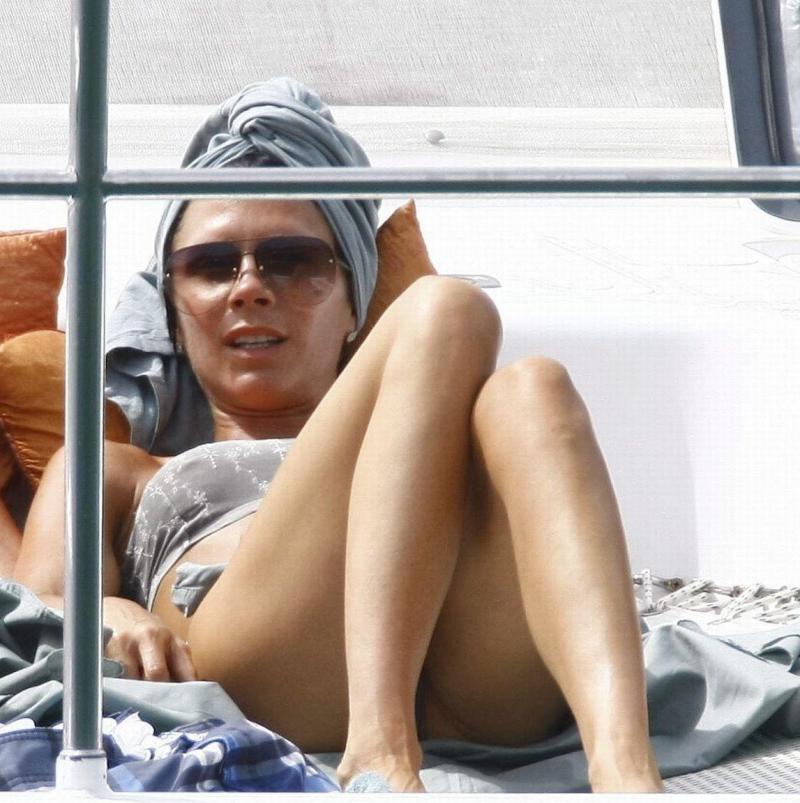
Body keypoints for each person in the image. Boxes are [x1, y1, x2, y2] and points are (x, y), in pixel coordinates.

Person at [12, 78, 664, 794]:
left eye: (293, 260)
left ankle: (628, 774)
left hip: (475, 667)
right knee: (451, 305)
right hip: (275, 658)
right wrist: (109, 609)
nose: (250, 288)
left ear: (355, 303)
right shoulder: (116, 466)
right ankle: (378, 748)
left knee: (532, 387)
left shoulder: (452, 429)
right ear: (171, 309)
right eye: (212, 265)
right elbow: (35, 609)